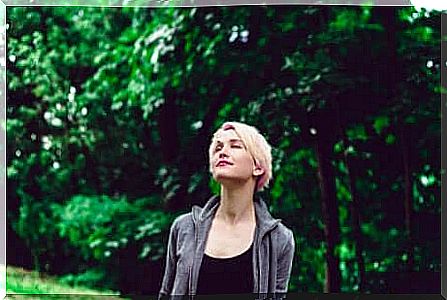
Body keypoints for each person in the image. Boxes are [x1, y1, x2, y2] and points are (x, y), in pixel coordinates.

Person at [158, 121, 295, 299]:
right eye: (218, 147)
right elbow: (166, 294)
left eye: (235, 146)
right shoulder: (184, 228)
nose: (223, 151)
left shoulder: (279, 238)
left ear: (258, 167)